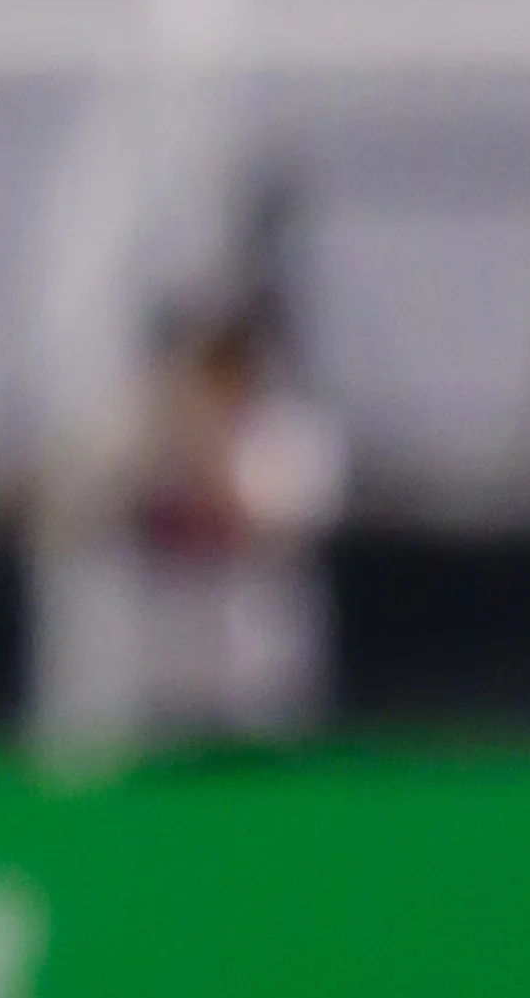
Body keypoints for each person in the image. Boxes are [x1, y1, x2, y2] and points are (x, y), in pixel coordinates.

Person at [101, 302, 347, 740]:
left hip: (259, 628)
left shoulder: (286, 431)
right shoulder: (161, 425)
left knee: (263, 738)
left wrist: (213, 475)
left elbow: (283, 519)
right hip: (172, 628)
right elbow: (119, 507)